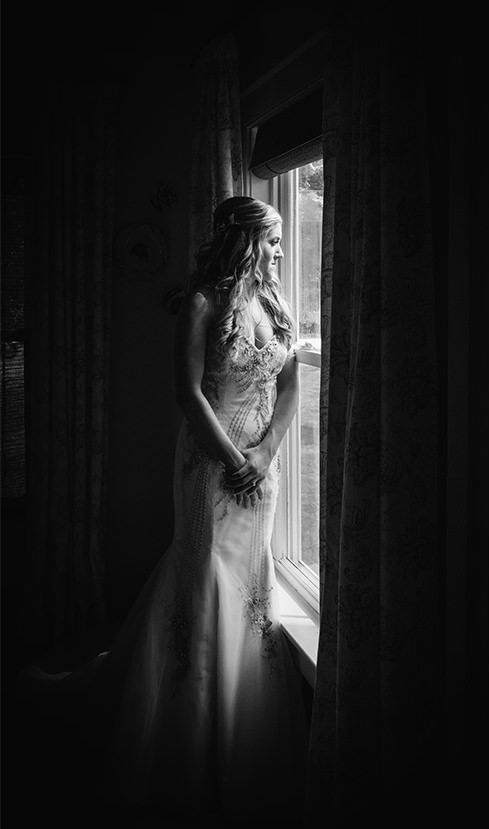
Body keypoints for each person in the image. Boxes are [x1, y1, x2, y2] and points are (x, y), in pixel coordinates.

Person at [34, 195, 312, 819]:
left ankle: (244, 714)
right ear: (243, 240)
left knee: (250, 578)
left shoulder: (276, 304)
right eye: (271, 239)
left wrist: (265, 454)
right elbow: (187, 394)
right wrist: (234, 461)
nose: (279, 250)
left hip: (259, 465)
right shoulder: (202, 303)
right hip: (207, 463)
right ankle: (191, 714)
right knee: (205, 565)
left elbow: (291, 384)